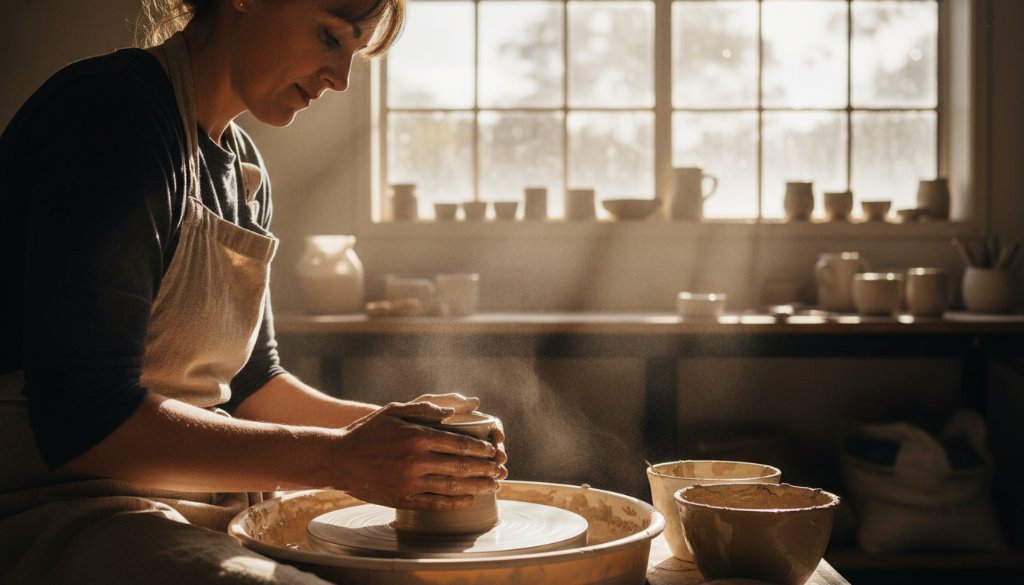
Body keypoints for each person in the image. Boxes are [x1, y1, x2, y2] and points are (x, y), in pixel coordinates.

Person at [0, 1, 507, 582]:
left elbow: (251, 388)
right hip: (53, 510)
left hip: (184, 508)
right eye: (329, 37)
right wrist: (340, 459)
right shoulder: (110, 117)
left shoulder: (243, 170)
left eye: (353, 52)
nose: (339, 80)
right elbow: (85, 420)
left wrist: (418, 445)